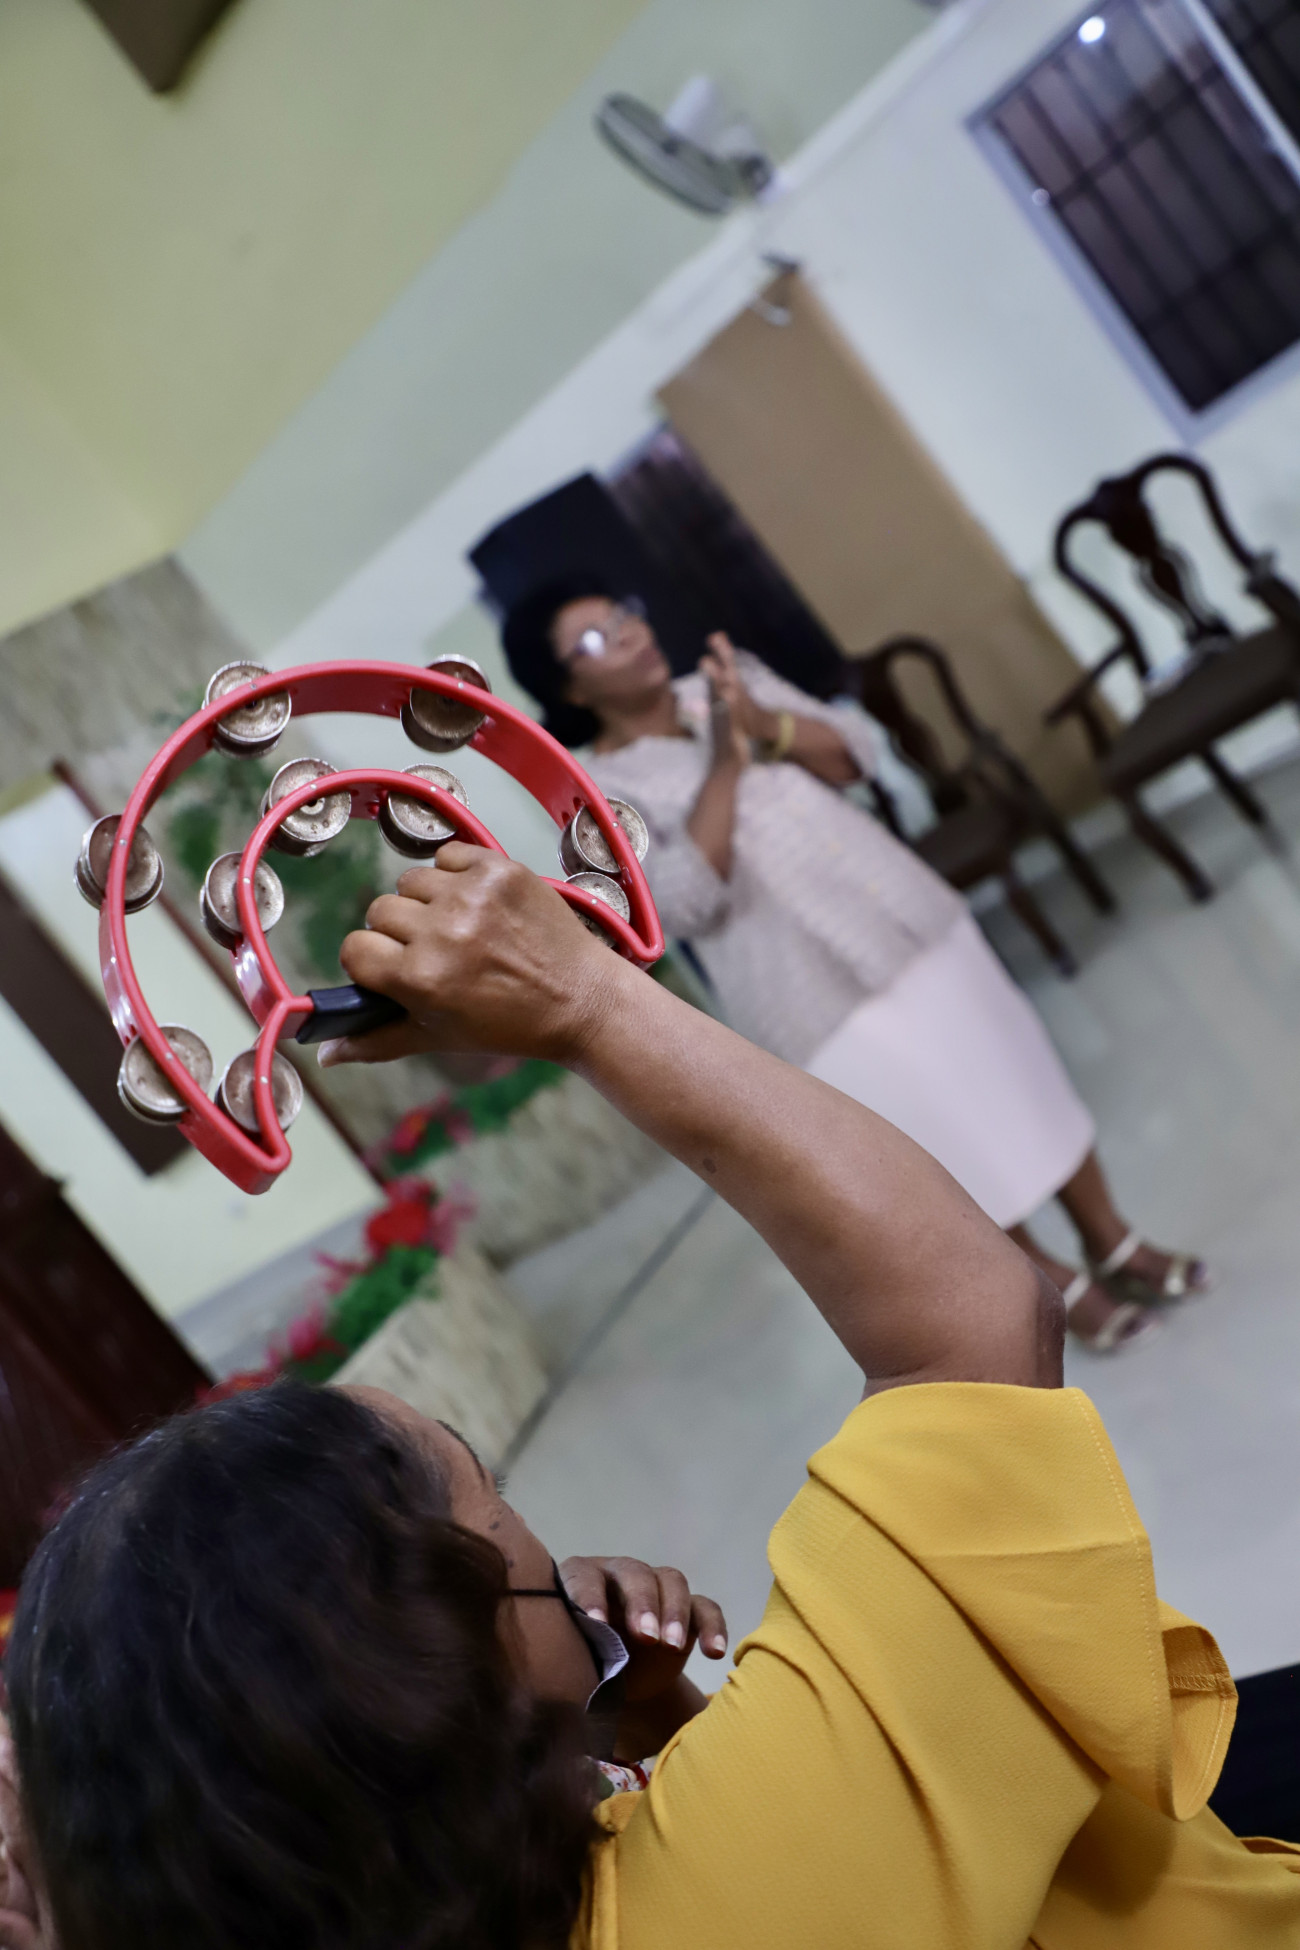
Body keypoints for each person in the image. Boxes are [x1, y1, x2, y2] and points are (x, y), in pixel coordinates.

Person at [2, 845, 1297, 1950]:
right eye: (491, 1504)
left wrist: (653, 1722)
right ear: (449, 1683)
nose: (541, 1544)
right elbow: (974, 1320)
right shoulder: (757, 1882)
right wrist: (584, 1001)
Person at [501, 577, 1211, 1352]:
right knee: (943, 1145)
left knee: (1021, 1080)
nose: (629, 634)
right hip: (810, 992)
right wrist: (724, 765)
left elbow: (855, 755)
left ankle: (1114, 1242)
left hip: (905, 918)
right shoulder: (596, 795)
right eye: (595, 639)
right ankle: (1055, 1287)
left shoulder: (724, 682)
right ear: (568, 687)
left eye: (622, 614)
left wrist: (761, 723)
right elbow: (683, 904)